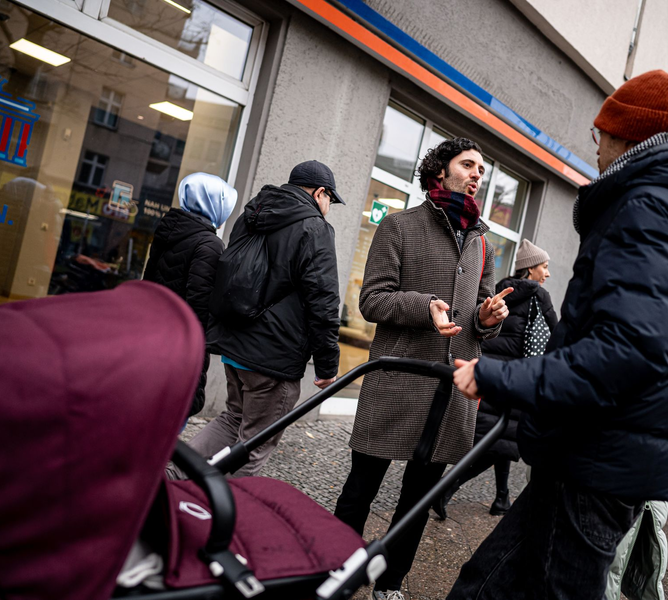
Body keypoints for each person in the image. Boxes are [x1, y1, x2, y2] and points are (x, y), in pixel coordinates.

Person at [448, 69, 668, 600]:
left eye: (600, 133)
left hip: (595, 460)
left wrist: (499, 376)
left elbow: (628, 351)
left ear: (625, 135)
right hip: (602, 456)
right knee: (485, 585)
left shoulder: (649, 207)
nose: (595, 146)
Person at [333, 137, 512, 600]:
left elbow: (481, 314)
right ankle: (332, 569)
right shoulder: (399, 226)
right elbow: (372, 299)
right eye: (468, 165)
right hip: (397, 382)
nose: (477, 175)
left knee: (418, 501)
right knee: (360, 490)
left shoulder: (482, 242)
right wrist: (424, 305)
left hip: (450, 393)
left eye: (481, 170)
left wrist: (487, 318)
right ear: (439, 170)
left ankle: (391, 582)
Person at [187, 160, 345, 477]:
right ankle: (221, 506)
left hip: (235, 347)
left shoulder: (253, 213)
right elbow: (324, 300)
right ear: (320, 193)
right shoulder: (315, 228)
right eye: (330, 199)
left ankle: (169, 474)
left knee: (233, 419)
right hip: (273, 358)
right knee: (254, 446)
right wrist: (327, 364)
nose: (329, 207)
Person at [432, 239, 556, 520]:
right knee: (497, 442)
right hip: (514, 379)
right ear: (530, 269)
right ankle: (445, 488)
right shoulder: (539, 297)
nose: (547, 273)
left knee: (500, 439)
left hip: (489, 374)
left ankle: (501, 498)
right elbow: (556, 336)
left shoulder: (502, 291)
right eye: (544, 267)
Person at [143, 172, 237, 416]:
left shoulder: (168, 230)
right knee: (174, 412)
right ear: (213, 204)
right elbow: (199, 307)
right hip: (181, 346)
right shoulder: (209, 244)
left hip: (152, 334)